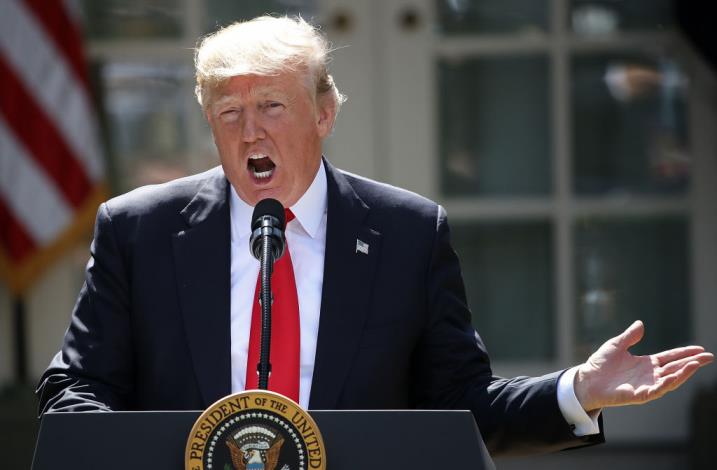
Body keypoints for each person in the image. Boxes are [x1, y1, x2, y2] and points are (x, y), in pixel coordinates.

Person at [36, 16, 713, 456]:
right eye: (229, 112)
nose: (250, 133)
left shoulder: (405, 232)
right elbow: (76, 389)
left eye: (272, 106)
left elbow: (458, 406)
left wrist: (577, 392)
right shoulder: (140, 230)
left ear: (324, 113)